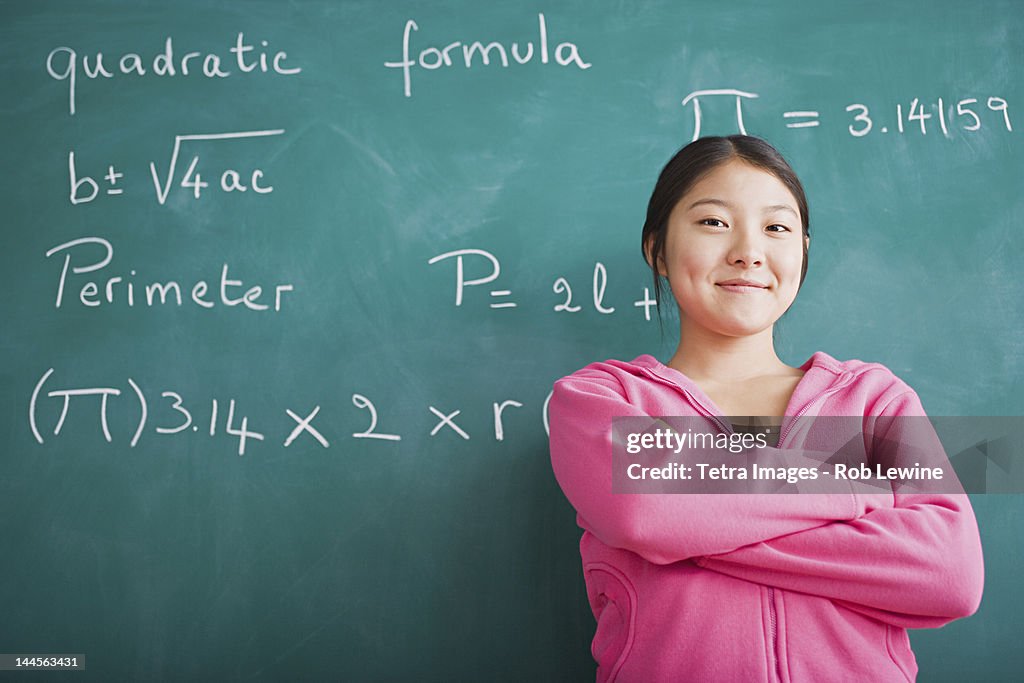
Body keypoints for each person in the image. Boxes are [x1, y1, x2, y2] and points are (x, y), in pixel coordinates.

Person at [547, 135, 984, 682]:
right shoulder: (600, 399)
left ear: (803, 248)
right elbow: (645, 512)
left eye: (776, 228)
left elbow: (950, 575)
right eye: (713, 222)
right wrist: (861, 491)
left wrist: (692, 534)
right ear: (656, 248)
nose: (748, 252)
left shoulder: (876, 398)